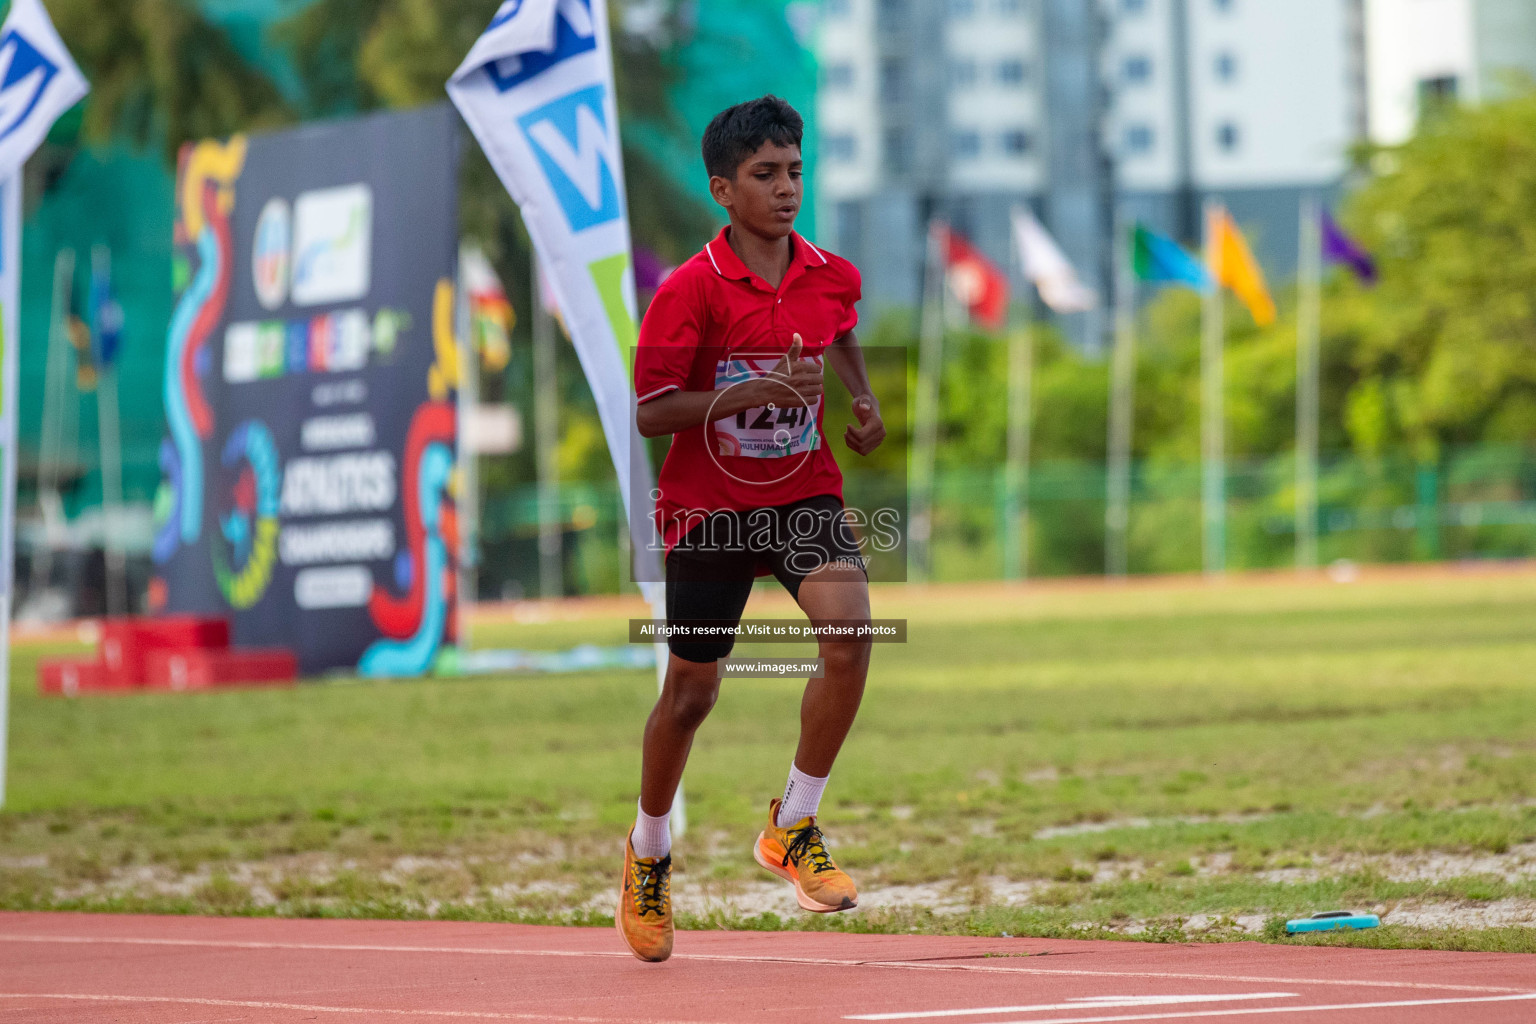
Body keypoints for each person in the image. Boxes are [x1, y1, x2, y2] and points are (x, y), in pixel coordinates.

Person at [616, 95, 886, 962]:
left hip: (802, 493)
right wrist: (746, 395)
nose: (786, 188)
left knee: (851, 628)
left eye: (795, 171)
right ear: (723, 190)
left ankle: (794, 823)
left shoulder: (828, 272)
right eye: (765, 175)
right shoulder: (687, 292)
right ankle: (649, 854)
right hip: (708, 512)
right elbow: (653, 413)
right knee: (692, 694)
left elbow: (837, 329)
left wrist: (864, 396)